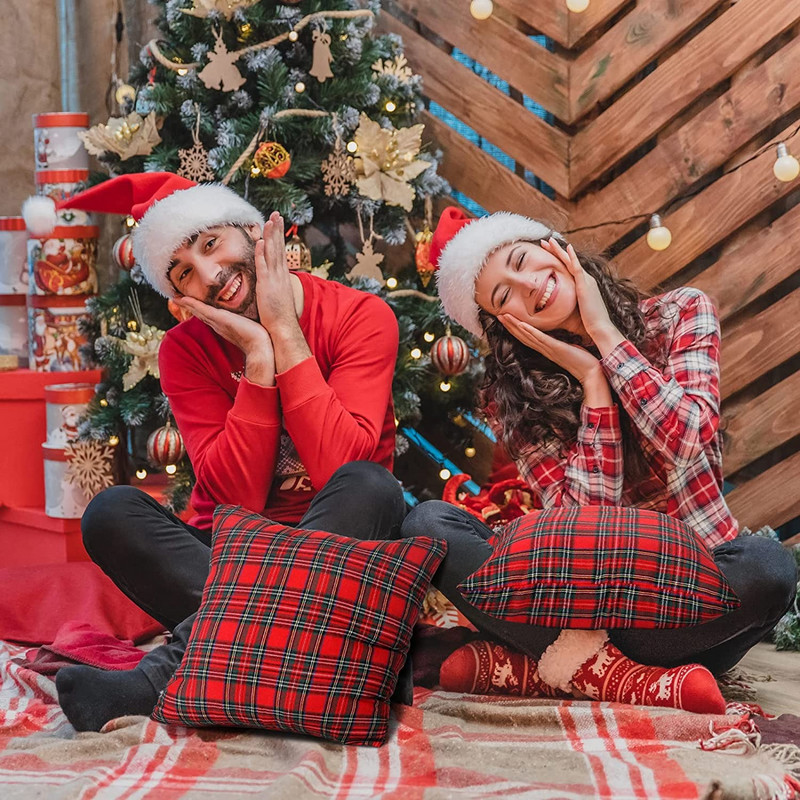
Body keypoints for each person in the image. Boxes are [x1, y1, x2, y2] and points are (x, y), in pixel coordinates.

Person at [23, 173, 406, 731]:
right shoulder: (185, 351)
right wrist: (257, 359)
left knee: (370, 484)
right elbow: (237, 500)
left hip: (346, 543)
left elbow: (337, 467)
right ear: (179, 296)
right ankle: (297, 655)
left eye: (210, 244)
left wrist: (282, 331)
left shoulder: (360, 316)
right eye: (184, 272)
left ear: (254, 232)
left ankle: (161, 681)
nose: (210, 276)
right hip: (232, 554)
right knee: (111, 514)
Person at [401, 208, 797, 710]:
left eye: (524, 260)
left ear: (556, 248)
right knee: (429, 523)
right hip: (581, 601)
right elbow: (576, 527)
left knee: (769, 567)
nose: (530, 286)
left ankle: (554, 668)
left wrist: (606, 338)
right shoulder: (515, 402)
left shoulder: (679, 315)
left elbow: (686, 440)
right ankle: (624, 677)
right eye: (505, 297)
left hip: (684, 601)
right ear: (504, 326)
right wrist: (593, 387)